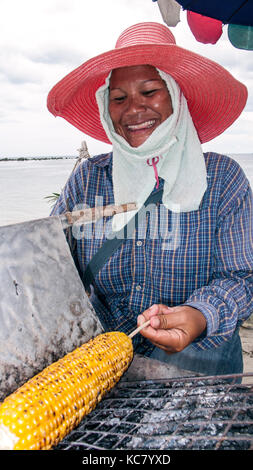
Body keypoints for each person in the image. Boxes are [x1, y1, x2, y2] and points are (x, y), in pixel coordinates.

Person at [48, 22, 253, 379]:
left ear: (175, 95)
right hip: (103, 362)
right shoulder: (87, 178)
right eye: (119, 97)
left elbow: (242, 277)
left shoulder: (222, 179)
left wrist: (199, 315)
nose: (134, 110)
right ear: (105, 106)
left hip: (200, 365)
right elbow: (49, 264)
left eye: (150, 91)